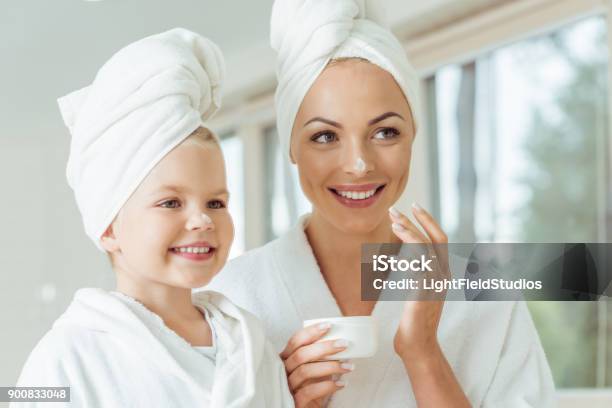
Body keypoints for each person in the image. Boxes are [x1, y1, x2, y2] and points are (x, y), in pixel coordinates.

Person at [206, 1, 556, 407]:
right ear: (292, 148)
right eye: (324, 136)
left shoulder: (488, 302)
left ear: (412, 137)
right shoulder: (230, 300)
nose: (358, 164)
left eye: (386, 132)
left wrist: (422, 352)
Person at [14, 28, 293, 408]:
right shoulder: (66, 357)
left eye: (215, 203)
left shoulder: (251, 344)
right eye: (171, 203)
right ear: (109, 226)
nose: (202, 220)